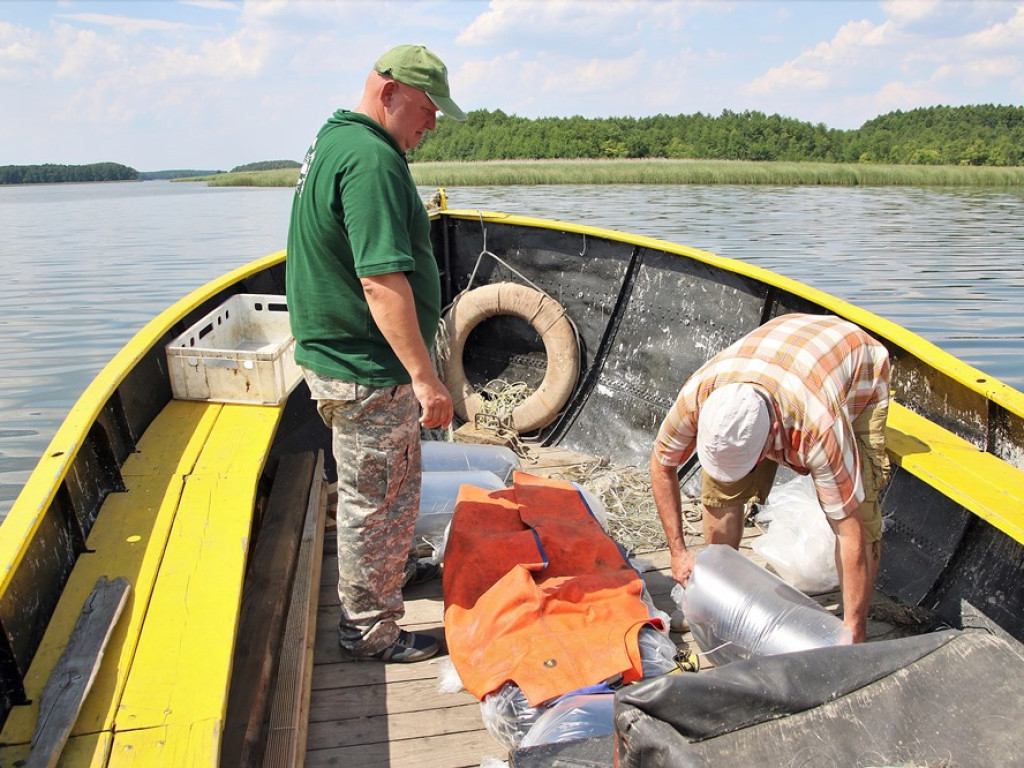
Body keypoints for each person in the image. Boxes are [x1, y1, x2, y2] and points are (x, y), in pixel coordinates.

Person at [286, 44, 466, 663]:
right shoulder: (372, 161)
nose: (432, 125)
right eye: (425, 108)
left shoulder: (335, 139)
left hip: (345, 358)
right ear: (388, 92)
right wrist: (426, 377)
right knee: (375, 497)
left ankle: (392, 567)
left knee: (389, 488)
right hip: (366, 368)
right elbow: (380, 281)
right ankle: (368, 629)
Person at [649, 313, 891, 643]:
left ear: (773, 435)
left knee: (861, 509)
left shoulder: (818, 430)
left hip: (856, 364)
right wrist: (677, 552)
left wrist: (853, 632)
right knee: (721, 491)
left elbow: (849, 531)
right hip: (779, 348)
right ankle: (717, 600)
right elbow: (662, 465)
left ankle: (856, 626)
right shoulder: (698, 397)